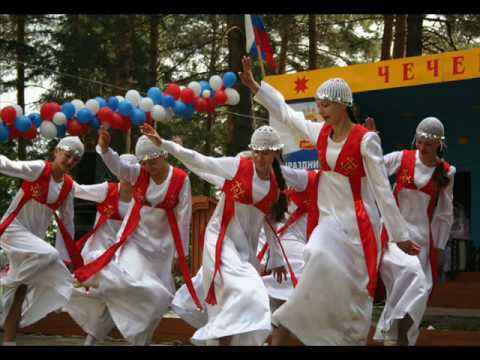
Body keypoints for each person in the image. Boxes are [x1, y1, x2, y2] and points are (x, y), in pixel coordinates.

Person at [239, 55, 420, 345]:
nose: (320, 111)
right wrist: (255, 87)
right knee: (316, 253)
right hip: (328, 219)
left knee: (354, 288)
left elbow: (381, 188)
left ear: (343, 105)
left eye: (326, 105)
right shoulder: (321, 134)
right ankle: (297, 316)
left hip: (359, 221)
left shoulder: (365, 140)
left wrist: (399, 235)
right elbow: (286, 113)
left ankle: (348, 336)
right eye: (319, 105)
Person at [140, 123, 288, 346]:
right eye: (256, 152)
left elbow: (269, 224)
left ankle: (216, 341)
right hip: (220, 240)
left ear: (276, 153)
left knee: (232, 299)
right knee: (248, 291)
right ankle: (207, 338)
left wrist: (276, 258)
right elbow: (200, 160)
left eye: (265, 153)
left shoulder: (275, 187)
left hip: (244, 250)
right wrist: (165, 145)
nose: (259, 158)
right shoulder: (237, 166)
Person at [71, 128, 198, 346]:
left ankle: (139, 340)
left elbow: (184, 217)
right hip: (135, 241)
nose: (148, 167)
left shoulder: (180, 179)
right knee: (127, 285)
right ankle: (99, 275)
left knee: (158, 300)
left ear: (163, 154)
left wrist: (180, 253)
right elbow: (117, 166)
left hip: (163, 248)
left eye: (153, 162)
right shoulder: (139, 173)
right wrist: (104, 148)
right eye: (144, 163)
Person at [367, 116, 455, 346]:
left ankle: (398, 338)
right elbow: (373, 168)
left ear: (439, 144)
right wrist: (372, 140)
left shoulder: (446, 172)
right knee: (411, 280)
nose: (423, 147)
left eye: (429, 143)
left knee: (418, 293)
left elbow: (444, 214)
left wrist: (439, 248)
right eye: (420, 141)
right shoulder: (402, 158)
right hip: (394, 236)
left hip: (422, 243)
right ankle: (390, 333)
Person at [0, 136, 85, 345]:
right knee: (48, 256)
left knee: (22, 291)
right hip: (12, 228)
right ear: (57, 151)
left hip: (33, 241)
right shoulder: (40, 169)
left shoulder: (68, 186)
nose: (70, 161)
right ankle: (5, 283)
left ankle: (9, 342)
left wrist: (67, 258)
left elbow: (68, 222)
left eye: (75, 159)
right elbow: (10, 166)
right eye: (67, 156)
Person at [64, 153, 138, 346]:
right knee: (114, 292)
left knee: (115, 297)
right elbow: (78, 190)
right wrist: (59, 174)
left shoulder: (142, 198)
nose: (126, 176)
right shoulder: (107, 190)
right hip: (97, 253)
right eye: (122, 171)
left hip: (122, 255)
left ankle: (92, 338)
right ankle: (65, 288)